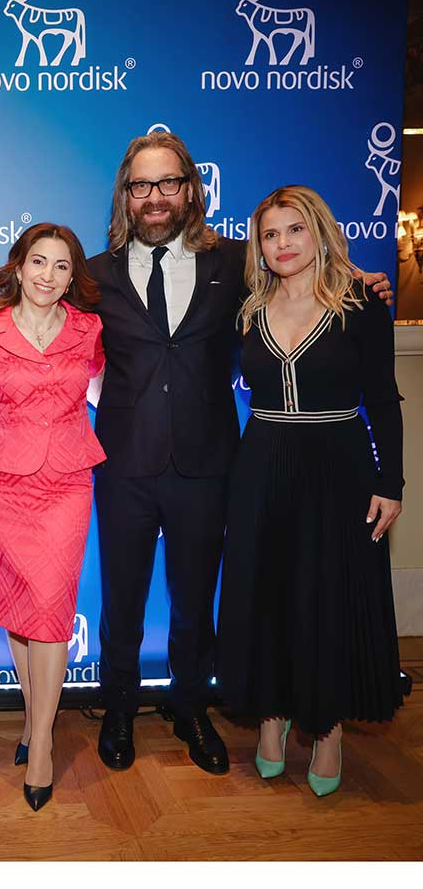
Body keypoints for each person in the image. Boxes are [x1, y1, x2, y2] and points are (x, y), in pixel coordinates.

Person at [0, 131, 391, 776]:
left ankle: (191, 707)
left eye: (169, 182)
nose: (156, 196)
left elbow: (303, 271)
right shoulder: (93, 275)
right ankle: (117, 707)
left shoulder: (238, 261)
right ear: (126, 195)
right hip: (122, 463)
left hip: (208, 462)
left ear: (190, 189)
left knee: (195, 600)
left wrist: (361, 279)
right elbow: (36, 315)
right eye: (142, 185)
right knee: (122, 600)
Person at [217, 186, 404, 797]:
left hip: (338, 467)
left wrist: (391, 482)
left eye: (294, 229)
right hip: (262, 463)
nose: (283, 244)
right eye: (270, 234)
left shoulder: (361, 304)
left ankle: (328, 730)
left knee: (330, 597)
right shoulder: (248, 305)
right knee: (266, 592)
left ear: (319, 232)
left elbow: (383, 399)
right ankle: (270, 717)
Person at [0, 224, 105, 811]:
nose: (48, 275)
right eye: (38, 262)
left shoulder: (89, 329)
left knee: (50, 611)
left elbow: (105, 393)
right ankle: (31, 719)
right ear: (18, 267)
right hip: (6, 483)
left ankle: (41, 743)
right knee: (21, 612)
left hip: (68, 481)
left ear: (72, 277)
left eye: (61, 266)